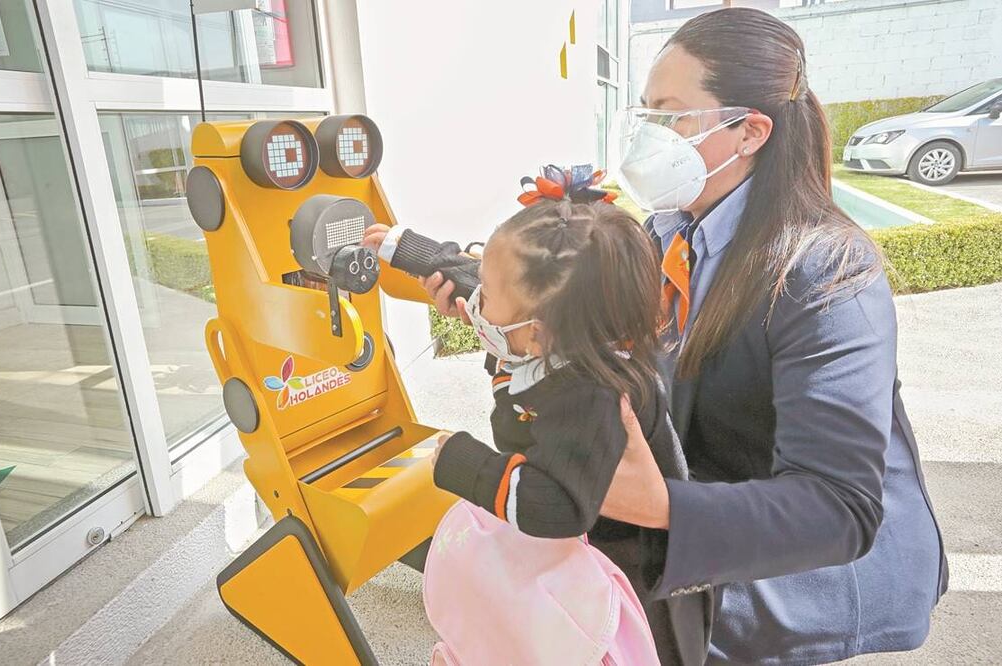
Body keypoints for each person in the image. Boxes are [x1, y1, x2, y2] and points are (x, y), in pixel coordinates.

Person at [415, 8, 948, 665]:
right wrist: (489, 296)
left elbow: (838, 509)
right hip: (693, 535)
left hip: (796, 581)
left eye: (669, 115)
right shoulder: (664, 231)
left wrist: (661, 503)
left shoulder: (825, 272)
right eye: (644, 113)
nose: (647, 135)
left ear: (749, 131)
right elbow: (576, 304)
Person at [364, 181, 706, 663]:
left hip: (623, 586)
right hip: (587, 550)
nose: (476, 303)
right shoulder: (569, 330)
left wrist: (464, 462)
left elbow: (558, 507)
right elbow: (481, 279)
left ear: (538, 337)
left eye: (488, 300)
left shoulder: (589, 395)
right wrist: (408, 249)